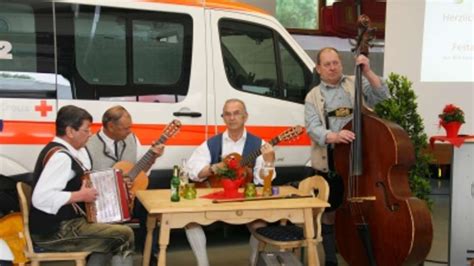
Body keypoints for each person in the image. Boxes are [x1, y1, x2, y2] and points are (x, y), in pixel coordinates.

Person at [304, 47, 390, 266]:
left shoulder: (356, 81)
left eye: (336, 63)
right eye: (327, 64)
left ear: (341, 64)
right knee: (330, 212)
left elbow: (383, 96)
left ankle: (369, 253)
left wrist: (368, 71)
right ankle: (331, 260)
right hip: (333, 161)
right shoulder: (313, 96)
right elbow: (313, 128)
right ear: (319, 68)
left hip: (364, 156)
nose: (333, 68)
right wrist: (334, 135)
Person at [30, 105, 135, 266]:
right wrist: (80, 196)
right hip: (54, 232)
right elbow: (40, 198)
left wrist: (119, 186)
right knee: (124, 235)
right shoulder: (61, 158)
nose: (90, 134)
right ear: (70, 131)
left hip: (62, 225)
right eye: (86, 130)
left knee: (112, 231)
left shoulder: (65, 152)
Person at [185, 98, 276, 266]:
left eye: (236, 113)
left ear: (245, 117)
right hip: (215, 199)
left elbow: (263, 183)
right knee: (190, 221)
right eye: (227, 114)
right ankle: (203, 264)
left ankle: (253, 261)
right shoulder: (212, 143)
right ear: (223, 118)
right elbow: (192, 170)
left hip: (243, 200)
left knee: (260, 224)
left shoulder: (259, 144)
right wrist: (213, 168)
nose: (232, 118)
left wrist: (269, 161)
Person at [85, 105, 164, 264]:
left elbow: (142, 172)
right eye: (125, 128)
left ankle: (151, 255)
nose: (129, 131)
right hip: (102, 202)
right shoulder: (88, 145)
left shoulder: (133, 138)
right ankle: (103, 251)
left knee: (150, 209)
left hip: (129, 199)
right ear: (111, 127)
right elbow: (85, 180)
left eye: (130, 127)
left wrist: (153, 157)